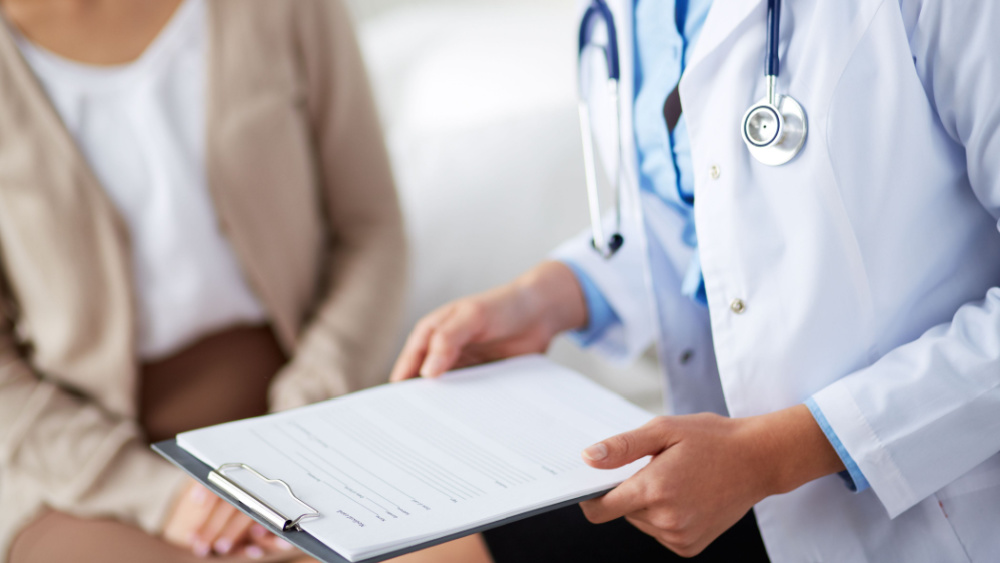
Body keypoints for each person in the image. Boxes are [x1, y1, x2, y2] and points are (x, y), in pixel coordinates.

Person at [391, 0, 1000, 561]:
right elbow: (702, 217)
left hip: (931, 502)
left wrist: (776, 453)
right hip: (723, 482)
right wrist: (554, 295)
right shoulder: (643, 14)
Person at [0, 0, 405, 561]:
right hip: (78, 468)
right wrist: (164, 498)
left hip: (307, 404)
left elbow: (372, 230)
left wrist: (306, 424)